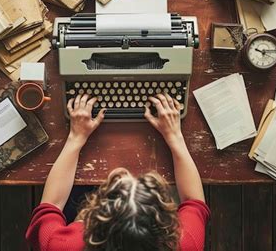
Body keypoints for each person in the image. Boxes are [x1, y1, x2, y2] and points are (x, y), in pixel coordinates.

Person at [26, 93, 210, 251]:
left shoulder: (62, 246)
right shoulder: (185, 243)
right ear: (167, 224)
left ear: (93, 223)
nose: (123, 173)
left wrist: (76, 137)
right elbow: (194, 201)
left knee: (77, 194)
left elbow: (50, 206)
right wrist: (175, 136)